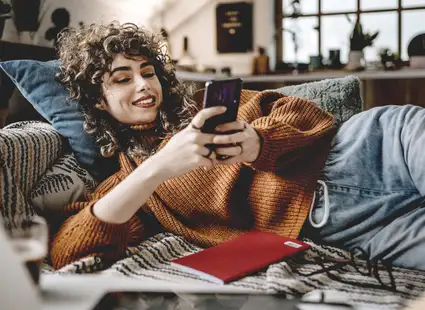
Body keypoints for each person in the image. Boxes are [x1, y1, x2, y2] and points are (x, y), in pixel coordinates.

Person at [50, 21, 425, 274]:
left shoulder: (207, 107)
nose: (143, 85)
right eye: (122, 79)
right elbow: (70, 250)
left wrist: (258, 142)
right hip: (350, 230)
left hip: (370, 150)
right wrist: (156, 168)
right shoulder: (131, 184)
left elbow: (307, 114)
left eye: (147, 73)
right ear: (98, 100)